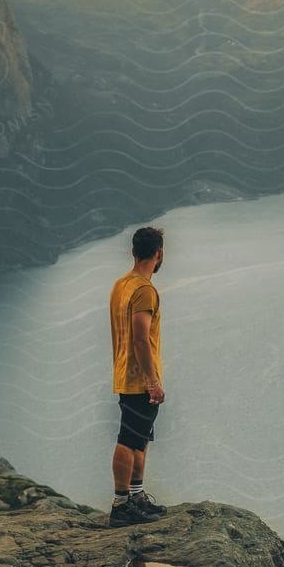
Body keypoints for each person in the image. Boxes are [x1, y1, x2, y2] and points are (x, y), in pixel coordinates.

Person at [108, 225, 169, 526]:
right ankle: (121, 505)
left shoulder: (122, 284)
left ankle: (137, 497)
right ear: (158, 254)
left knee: (140, 439)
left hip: (126, 373)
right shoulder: (144, 290)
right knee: (129, 440)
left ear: (133, 252)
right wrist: (153, 381)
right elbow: (140, 338)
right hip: (138, 379)